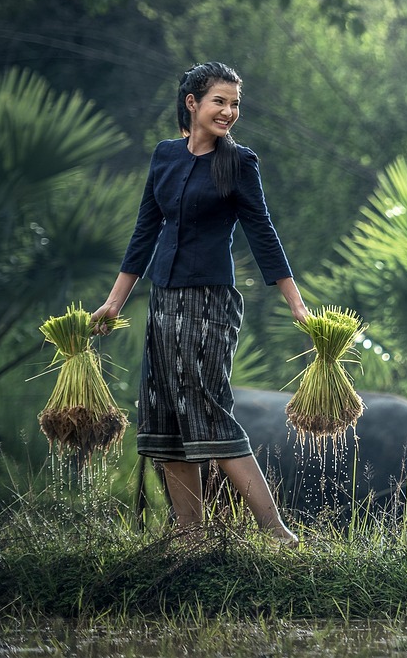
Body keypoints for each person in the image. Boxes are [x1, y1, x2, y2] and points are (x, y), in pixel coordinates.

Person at [91, 61, 308, 548]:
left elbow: (263, 235)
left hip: (209, 303)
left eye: (235, 104)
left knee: (208, 410)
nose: (229, 112)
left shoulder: (239, 163)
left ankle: (278, 535)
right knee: (165, 414)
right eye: (220, 102)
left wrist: (296, 305)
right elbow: (145, 233)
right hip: (164, 302)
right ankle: (191, 536)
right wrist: (113, 302)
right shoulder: (165, 157)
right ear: (192, 103)